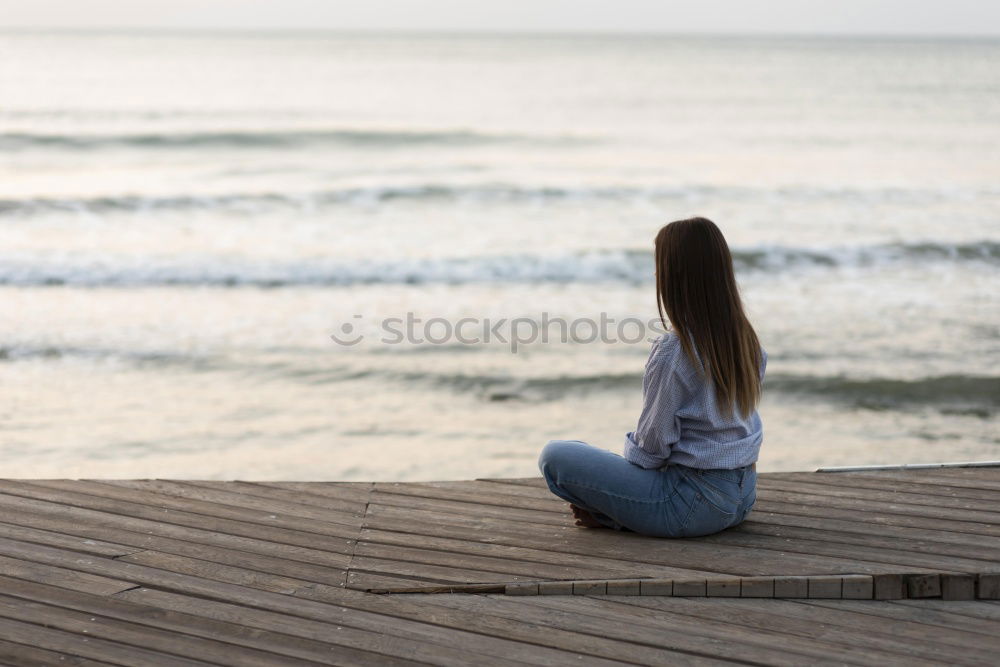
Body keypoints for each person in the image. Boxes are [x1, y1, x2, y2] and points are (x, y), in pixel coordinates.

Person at [538, 216, 767, 538]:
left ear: (673, 277)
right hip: (742, 498)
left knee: (557, 454)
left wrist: (615, 481)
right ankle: (619, 514)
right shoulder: (745, 339)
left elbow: (652, 448)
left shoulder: (674, 349)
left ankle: (613, 518)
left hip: (690, 506)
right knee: (596, 460)